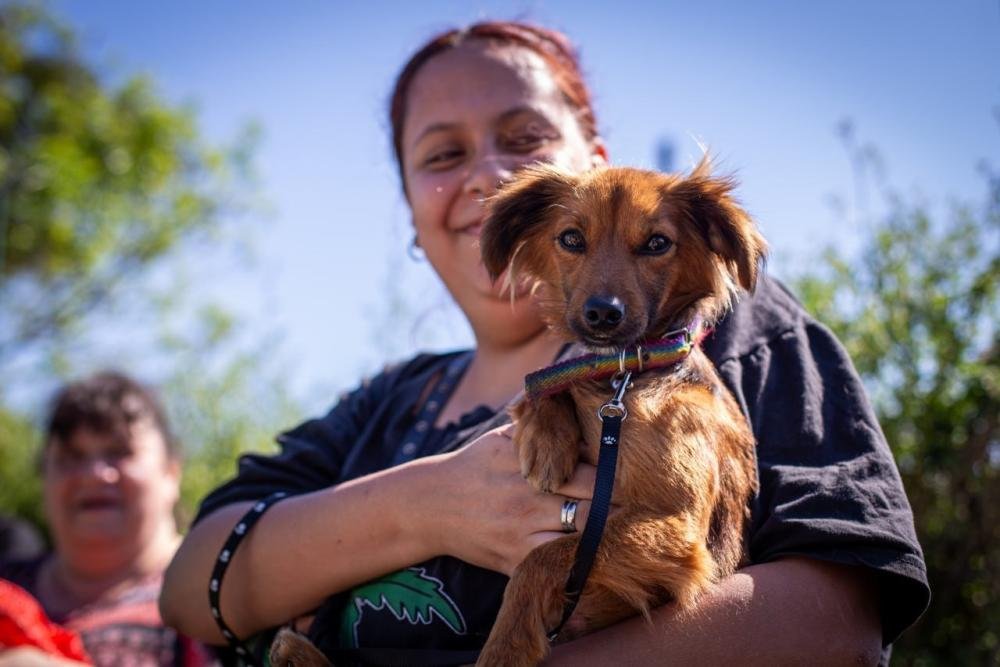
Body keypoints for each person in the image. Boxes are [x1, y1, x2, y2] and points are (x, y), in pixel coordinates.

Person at [160, 21, 929, 666]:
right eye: (442, 155)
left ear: (597, 159)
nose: (490, 173)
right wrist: (428, 504)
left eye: (525, 137)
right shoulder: (390, 401)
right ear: (409, 204)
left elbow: (842, 618)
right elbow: (191, 583)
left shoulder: (724, 331)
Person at [0, 371, 217, 666]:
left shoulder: (221, 591)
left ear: (171, 472)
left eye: (119, 452)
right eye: (71, 456)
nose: (93, 474)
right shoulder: (8, 584)